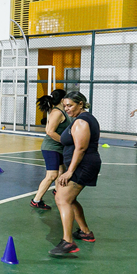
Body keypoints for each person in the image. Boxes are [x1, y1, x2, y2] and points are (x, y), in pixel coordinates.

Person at [49, 92, 100, 257]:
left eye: (70, 105)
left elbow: (81, 148)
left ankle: (68, 242)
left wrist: (69, 171)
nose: (67, 109)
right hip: (80, 165)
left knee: (62, 199)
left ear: (80, 104)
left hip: (82, 166)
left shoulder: (81, 121)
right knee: (70, 199)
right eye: (65, 106)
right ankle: (85, 232)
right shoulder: (81, 119)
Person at [31, 89, 69, 211]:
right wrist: (65, 141)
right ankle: (36, 200)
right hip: (51, 148)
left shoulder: (62, 112)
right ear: (62, 99)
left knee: (61, 172)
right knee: (52, 175)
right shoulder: (57, 113)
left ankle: (58, 192)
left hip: (58, 148)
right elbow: (49, 131)